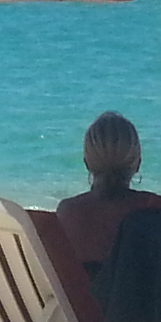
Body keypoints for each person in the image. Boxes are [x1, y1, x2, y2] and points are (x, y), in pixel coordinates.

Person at [50, 111, 148, 276]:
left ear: (87, 163)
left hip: (81, 294)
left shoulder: (68, 213)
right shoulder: (155, 213)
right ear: (138, 163)